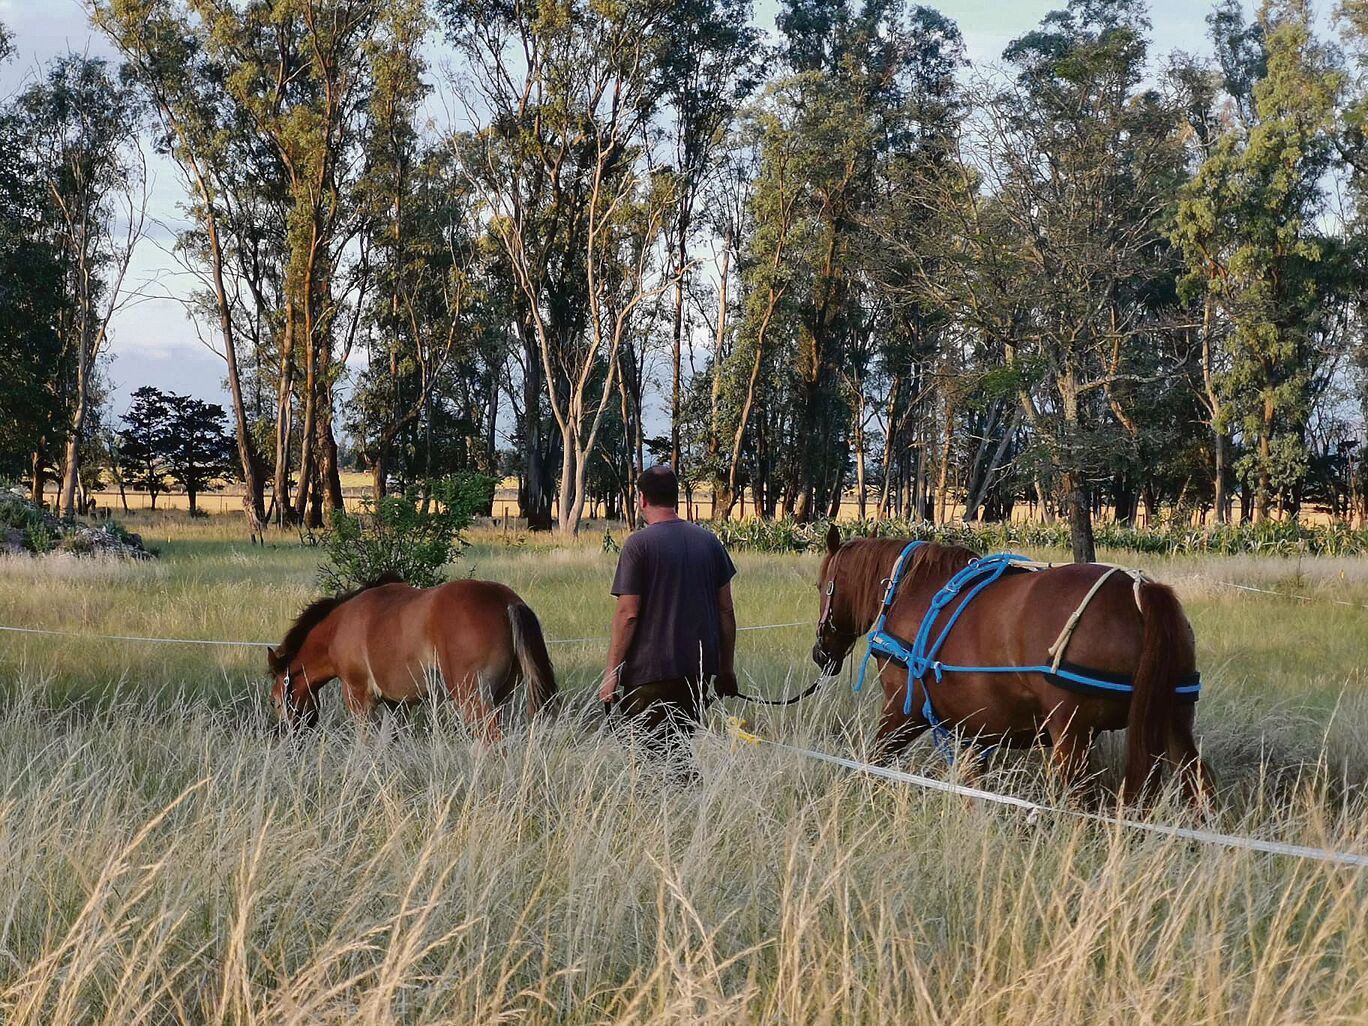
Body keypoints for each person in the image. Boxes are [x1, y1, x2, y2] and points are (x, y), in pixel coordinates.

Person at [601, 465, 738, 765]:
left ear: (642, 499)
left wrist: (612, 673)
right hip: (697, 672)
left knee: (650, 760)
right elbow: (726, 611)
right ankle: (691, 792)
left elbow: (628, 614)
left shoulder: (638, 545)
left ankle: (684, 792)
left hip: (650, 672)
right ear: (675, 497)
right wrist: (726, 669)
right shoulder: (709, 542)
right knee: (678, 749)